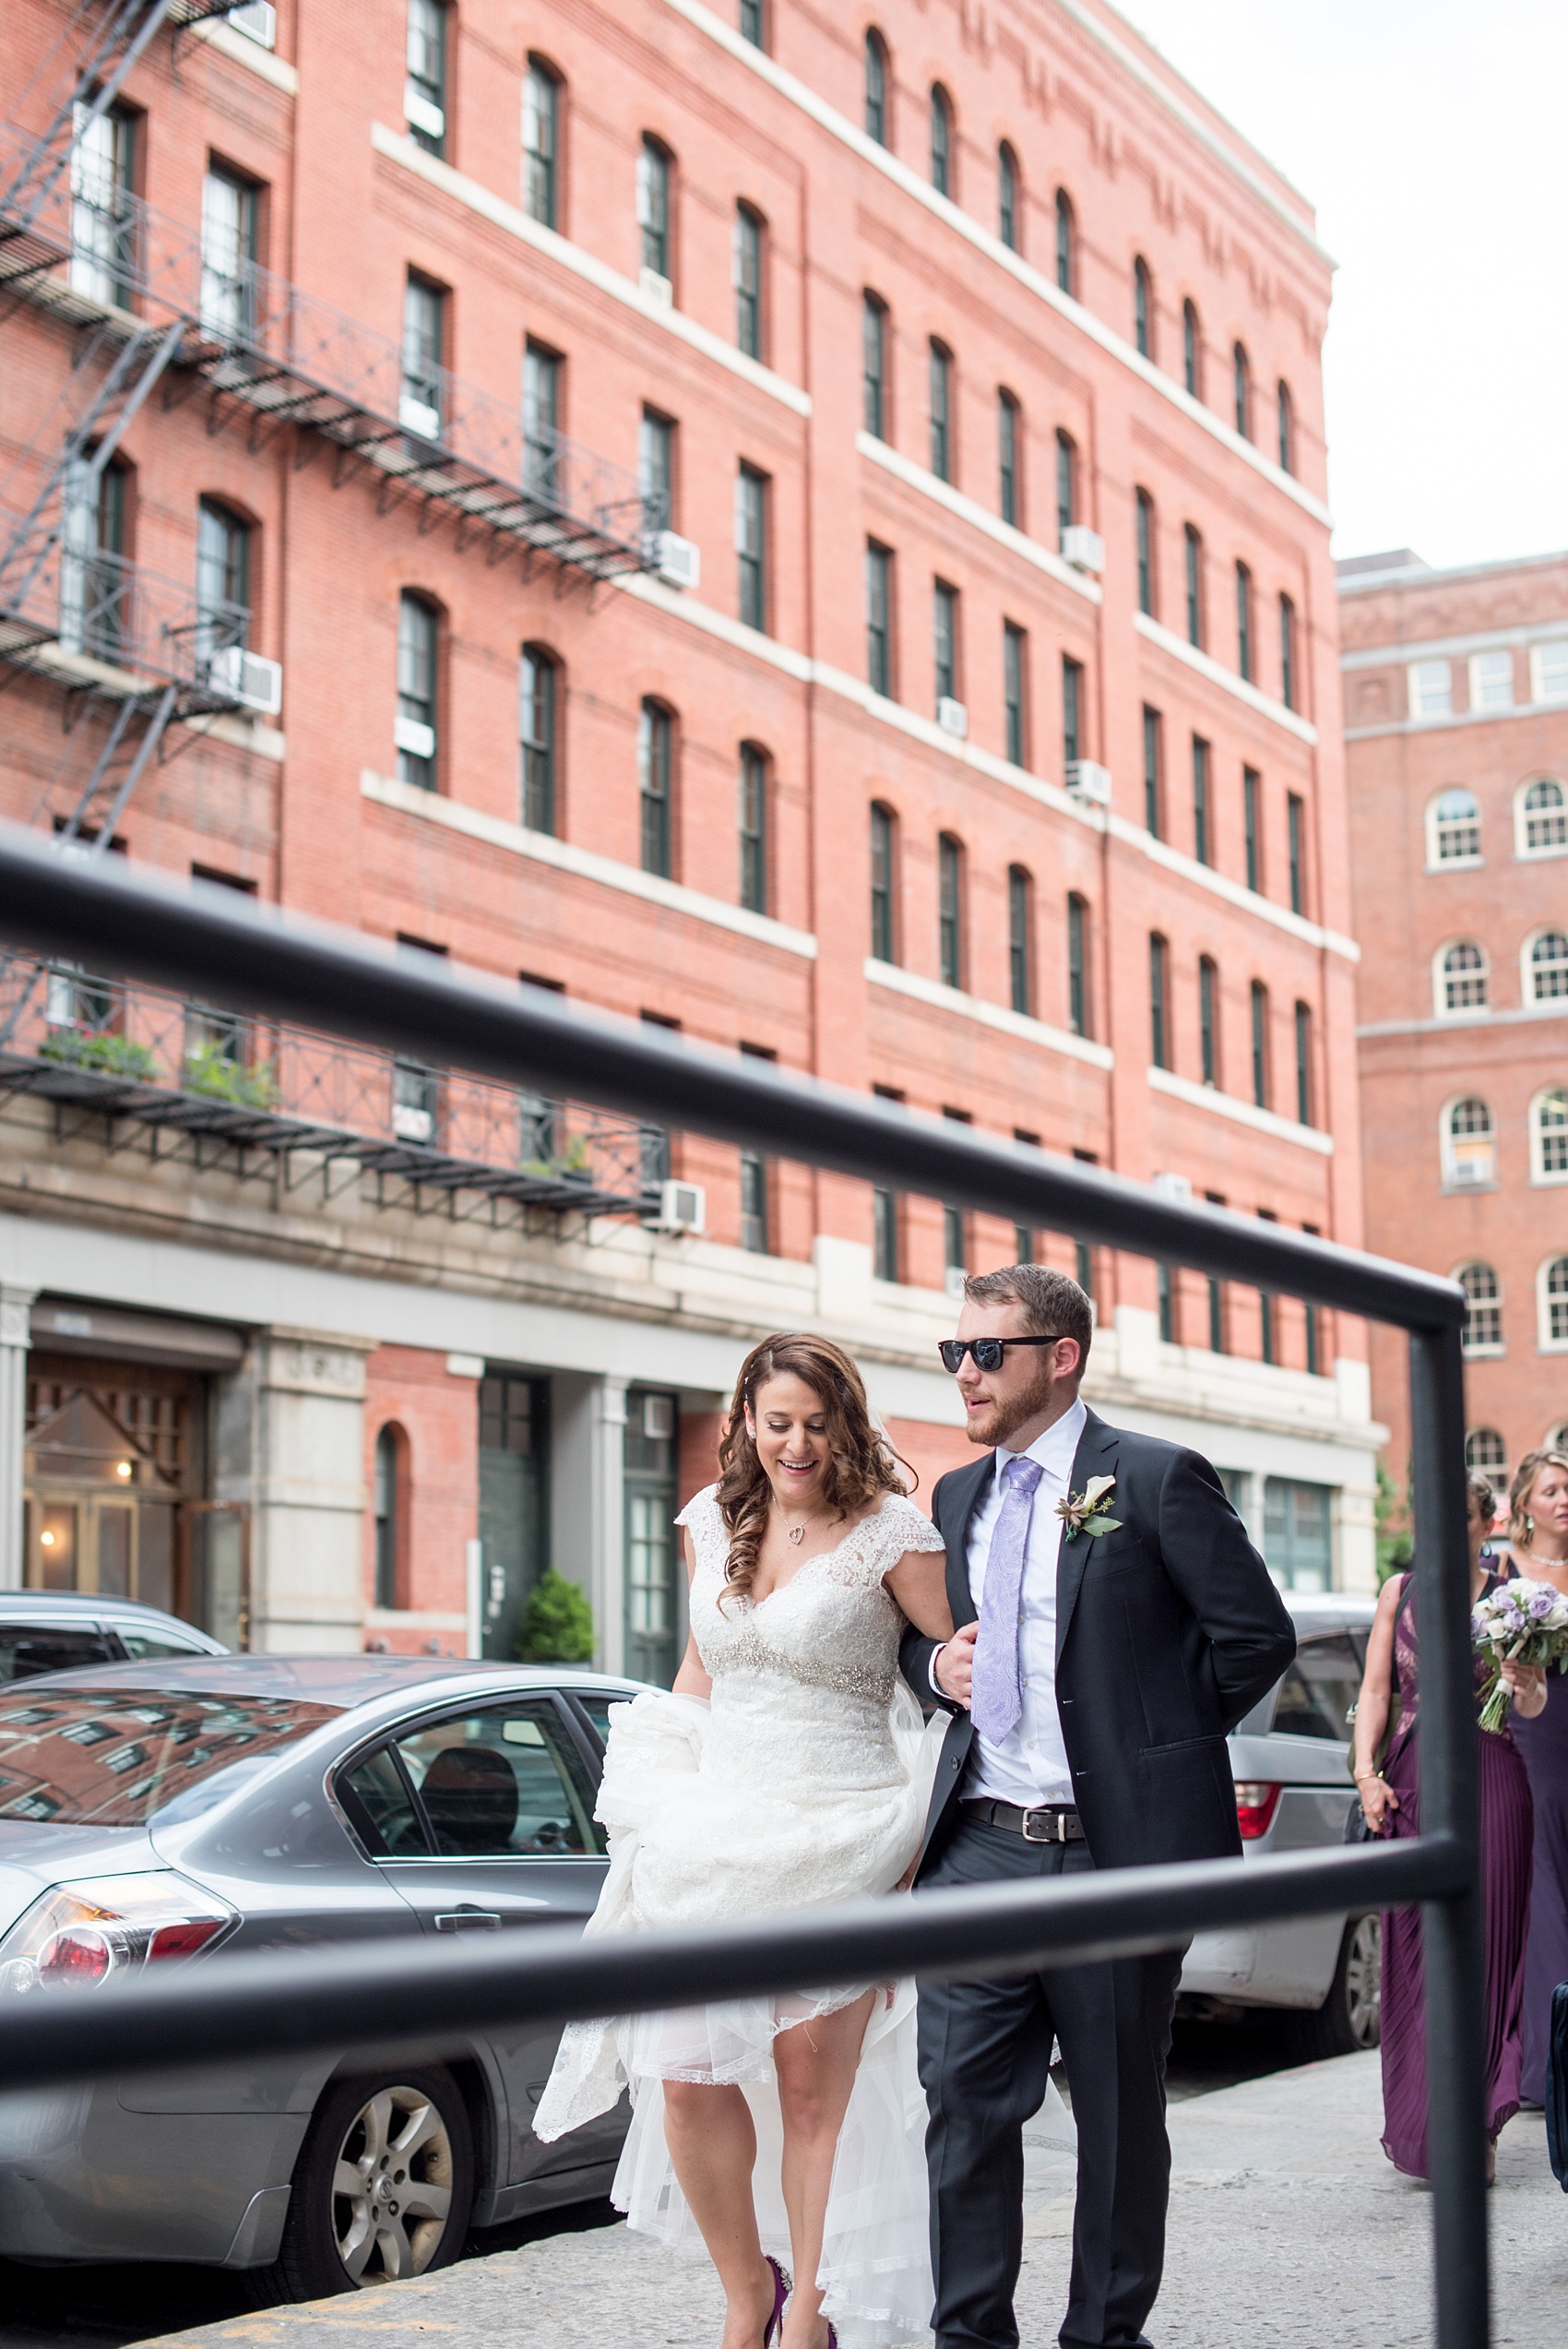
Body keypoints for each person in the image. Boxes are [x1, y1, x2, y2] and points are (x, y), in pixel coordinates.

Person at [900, 1264, 1296, 2349]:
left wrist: (1144, 1745)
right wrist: (936, 1667)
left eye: (987, 1352)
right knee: (962, 2116)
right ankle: (968, 2337)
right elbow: (920, 1641)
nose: (964, 1373)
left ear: (1059, 1356)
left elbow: (1254, 1635)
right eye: (954, 1352)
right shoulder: (955, 1495)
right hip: (978, 1847)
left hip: (1112, 1856)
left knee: (1118, 2120)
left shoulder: (1158, 1477)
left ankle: (1103, 2336)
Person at [534, 1332, 956, 2349]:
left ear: (844, 1423)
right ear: (746, 1422)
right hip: (717, 1823)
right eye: (776, 1423)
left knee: (813, 2091)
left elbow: (949, 1675)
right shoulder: (713, 1517)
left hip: (844, 1824)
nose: (795, 1443)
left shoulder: (894, 1530)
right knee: (683, 2074)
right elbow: (698, 1665)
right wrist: (661, 1795)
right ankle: (744, 2290)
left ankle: (809, 2308)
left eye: (816, 1423)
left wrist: (912, 1856)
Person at [1352, 1470, 1544, 2180]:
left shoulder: (1514, 1598)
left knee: (1487, 1951)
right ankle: (1422, 2119)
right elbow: (1376, 1690)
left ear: (1484, 1522)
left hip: (1493, 1778)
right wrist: (1365, 1773)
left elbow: (1533, 1702)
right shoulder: (1396, 1593)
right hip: (1408, 1783)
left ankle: (1479, 2124)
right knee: (1412, 1955)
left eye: (1453, 1513)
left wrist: (1525, 1688)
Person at [1503, 1448, 1568, 2107]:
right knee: (1545, 1878)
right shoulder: (1503, 1572)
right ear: (1523, 1503)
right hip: (1533, 1732)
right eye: (1551, 1490)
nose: (1563, 1500)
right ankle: (1547, 2067)